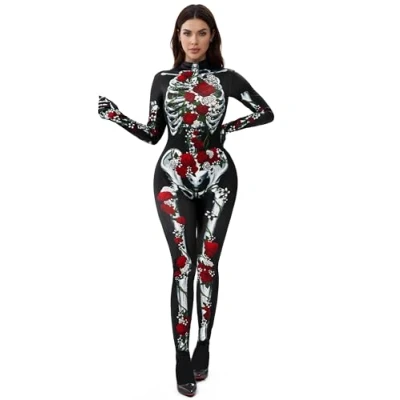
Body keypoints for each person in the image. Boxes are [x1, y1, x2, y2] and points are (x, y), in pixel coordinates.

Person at [98, 4, 274, 397]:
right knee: (183, 265)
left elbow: (265, 112)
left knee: (208, 263)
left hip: (218, 176)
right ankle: (180, 356)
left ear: (212, 37)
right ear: (178, 37)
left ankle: (203, 345)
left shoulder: (228, 78)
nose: (194, 41)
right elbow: (152, 134)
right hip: (172, 176)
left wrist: (228, 128)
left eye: (201, 33)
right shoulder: (162, 79)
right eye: (187, 33)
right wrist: (115, 116)